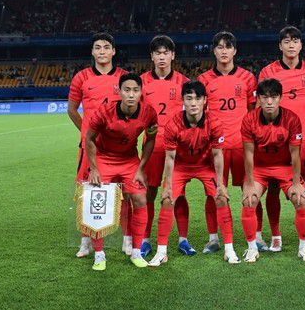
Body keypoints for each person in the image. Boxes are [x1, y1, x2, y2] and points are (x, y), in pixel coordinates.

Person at [146, 81, 240, 266]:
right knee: (167, 199)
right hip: (180, 166)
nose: (193, 103)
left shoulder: (214, 123)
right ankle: (161, 252)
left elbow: (217, 155)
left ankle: (229, 250)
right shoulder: (173, 124)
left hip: (205, 166)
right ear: (183, 101)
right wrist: (168, 186)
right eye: (189, 98)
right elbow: (170, 158)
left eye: (197, 98)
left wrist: (221, 184)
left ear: (205, 100)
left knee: (221, 197)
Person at [258, 26, 305, 252]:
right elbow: (261, 104)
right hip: (275, 140)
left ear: (301, 45)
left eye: (295, 41)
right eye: (286, 41)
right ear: (280, 46)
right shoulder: (268, 71)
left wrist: (304, 103)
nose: (291, 45)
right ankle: (275, 235)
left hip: (304, 138)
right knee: (273, 187)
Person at [84, 73, 159, 270]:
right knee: (98, 203)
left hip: (129, 160)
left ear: (141, 92)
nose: (131, 95)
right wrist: (94, 168)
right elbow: (89, 138)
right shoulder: (104, 112)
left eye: (135, 90)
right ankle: (99, 255)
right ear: (119, 91)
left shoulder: (149, 113)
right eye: (127, 90)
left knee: (140, 198)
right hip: (104, 158)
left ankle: (136, 252)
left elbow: (150, 139)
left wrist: (141, 168)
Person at [67, 32, 130, 258]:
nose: (102, 51)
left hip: (118, 147)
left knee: (124, 193)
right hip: (90, 147)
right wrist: (87, 133)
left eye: (106, 47)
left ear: (113, 51)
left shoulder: (124, 77)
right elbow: (71, 109)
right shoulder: (81, 77)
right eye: (97, 47)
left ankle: (127, 240)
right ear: (92, 52)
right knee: (87, 191)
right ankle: (85, 241)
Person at [240, 78, 305, 263]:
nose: (269, 102)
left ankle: (304, 248)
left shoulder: (292, 119)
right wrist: (249, 183)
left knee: (301, 199)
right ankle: (252, 248)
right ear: (259, 99)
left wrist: (296, 183)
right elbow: (248, 154)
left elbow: (295, 154)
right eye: (264, 97)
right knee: (249, 200)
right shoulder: (249, 119)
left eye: (273, 97)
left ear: (280, 97)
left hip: (285, 167)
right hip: (259, 168)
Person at [139, 35, 199, 257]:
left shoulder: (184, 83)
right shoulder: (141, 83)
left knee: (178, 193)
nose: (162, 57)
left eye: (166, 53)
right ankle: (145, 240)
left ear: (173, 55)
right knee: (149, 193)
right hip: (152, 146)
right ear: (152, 56)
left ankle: (183, 239)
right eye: (158, 53)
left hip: (178, 147)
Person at [197, 31, 257, 254]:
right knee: (214, 192)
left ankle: (257, 235)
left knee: (250, 190)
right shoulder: (203, 80)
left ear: (235, 51)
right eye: (220, 47)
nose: (224, 51)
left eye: (228, 47)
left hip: (242, 145)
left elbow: (252, 111)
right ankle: (213, 238)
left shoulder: (248, 78)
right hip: (215, 148)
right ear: (214, 51)